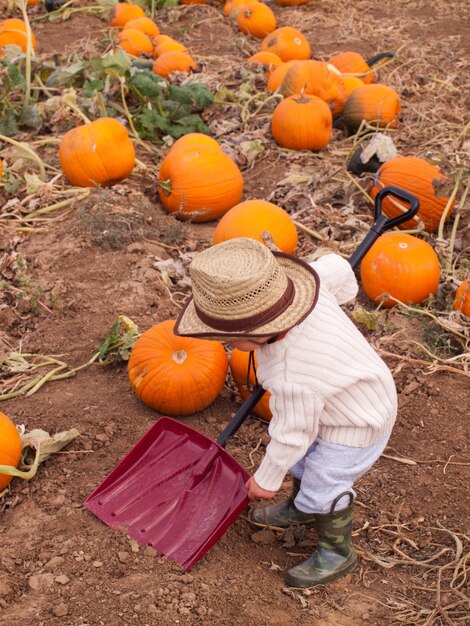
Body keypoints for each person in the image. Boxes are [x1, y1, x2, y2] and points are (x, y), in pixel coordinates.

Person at [174, 237, 397, 588]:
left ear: (260, 333)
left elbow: (293, 432)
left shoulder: (294, 373)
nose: (228, 346)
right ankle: (300, 508)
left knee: (324, 478)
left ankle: (338, 552)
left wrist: (267, 478)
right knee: (305, 459)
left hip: (359, 418)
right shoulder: (301, 293)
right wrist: (345, 294)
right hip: (337, 396)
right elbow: (334, 268)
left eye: (231, 340)